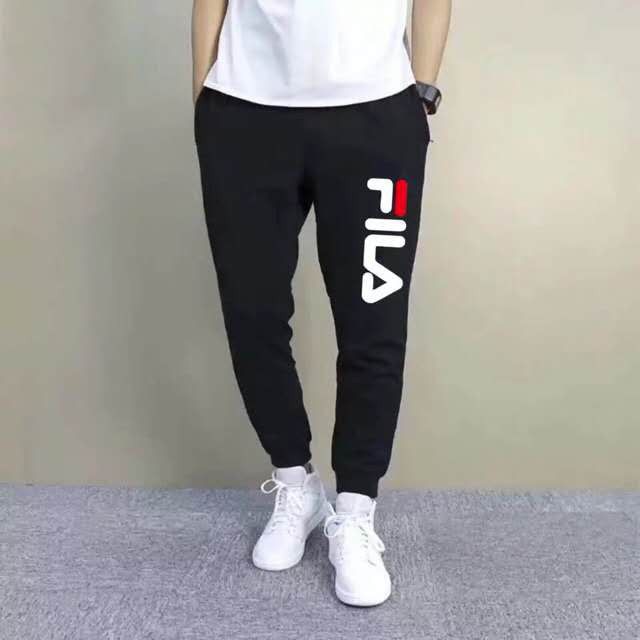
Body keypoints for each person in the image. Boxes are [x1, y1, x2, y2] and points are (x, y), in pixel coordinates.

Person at [192, 0, 451, 607]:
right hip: (244, 113)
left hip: (376, 117)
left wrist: (423, 92)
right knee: (251, 314)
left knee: (373, 322)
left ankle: (356, 511)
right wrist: (202, 100)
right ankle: (295, 483)